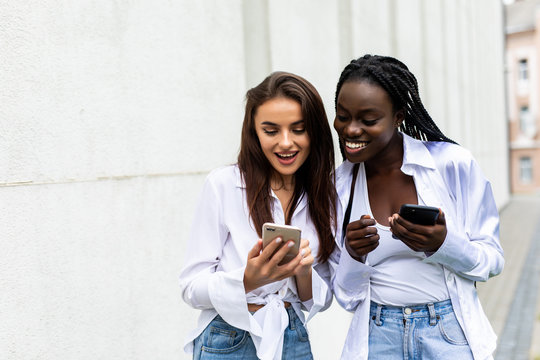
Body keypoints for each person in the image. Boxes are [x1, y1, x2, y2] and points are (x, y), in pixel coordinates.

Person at [330, 55, 504, 359]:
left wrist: (443, 245)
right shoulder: (339, 186)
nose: (351, 130)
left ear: (398, 117)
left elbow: (492, 261)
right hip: (376, 336)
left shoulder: (452, 164)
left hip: (448, 334)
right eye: (343, 116)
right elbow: (345, 295)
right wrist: (354, 255)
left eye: (368, 120)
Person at [179, 71, 337, 360]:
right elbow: (191, 287)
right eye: (271, 130)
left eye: (298, 129)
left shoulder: (324, 195)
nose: (286, 143)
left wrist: (303, 270)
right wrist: (248, 279)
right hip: (229, 338)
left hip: (293, 337)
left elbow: (320, 299)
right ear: (254, 132)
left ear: (315, 132)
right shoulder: (224, 185)